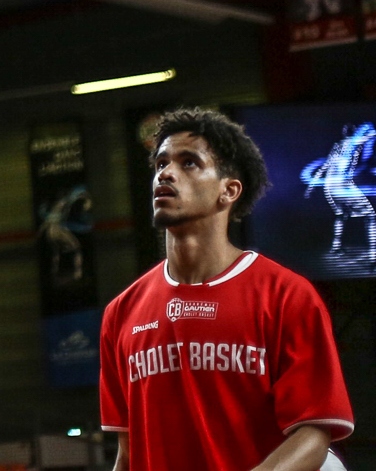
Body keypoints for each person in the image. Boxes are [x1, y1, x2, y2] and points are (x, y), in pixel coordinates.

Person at [99, 107, 354, 471]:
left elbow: (313, 435)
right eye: (161, 164)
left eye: (189, 163)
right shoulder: (122, 312)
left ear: (229, 190)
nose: (166, 174)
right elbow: (128, 453)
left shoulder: (287, 296)